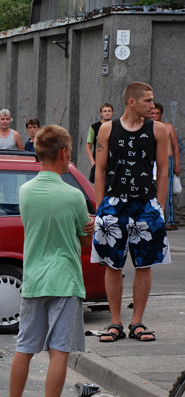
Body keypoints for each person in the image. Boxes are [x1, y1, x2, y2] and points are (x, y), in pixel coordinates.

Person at [0, 124, 94, 397]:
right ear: (64, 154)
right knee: (59, 352)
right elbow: (81, 234)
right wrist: (87, 228)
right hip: (65, 281)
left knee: (24, 348)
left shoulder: (25, 192)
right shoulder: (74, 195)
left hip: (34, 279)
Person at [92, 81, 170, 343]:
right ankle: (115, 322)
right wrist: (100, 206)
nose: (152, 105)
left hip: (145, 204)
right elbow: (100, 170)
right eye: (148, 100)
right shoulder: (107, 129)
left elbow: (163, 171)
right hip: (114, 204)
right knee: (112, 265)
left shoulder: (158, 129)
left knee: (144, 264)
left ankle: (137, 321)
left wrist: (158, 207)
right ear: (132, 102)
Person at [151, 102, 181, 230]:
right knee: (151, 189)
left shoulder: (168, 127)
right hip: (151, 160)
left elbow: (175, 147)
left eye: (157, 113)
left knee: (167, 190)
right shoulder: (147, 127)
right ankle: (153, 218)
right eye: (153, 113)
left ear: (161, 114)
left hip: (166, 159)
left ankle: (168, 220)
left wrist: (177, 164)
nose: (155, 116)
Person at [85, 103, 114, 183]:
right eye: (105, 111)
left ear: (112, 113)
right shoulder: (94, 127)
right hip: (98, 163)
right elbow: (88, 146)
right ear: (101, 113)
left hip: (113, 163)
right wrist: (92, 162)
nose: (107, 113)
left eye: (109, 111)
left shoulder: (116, 126)